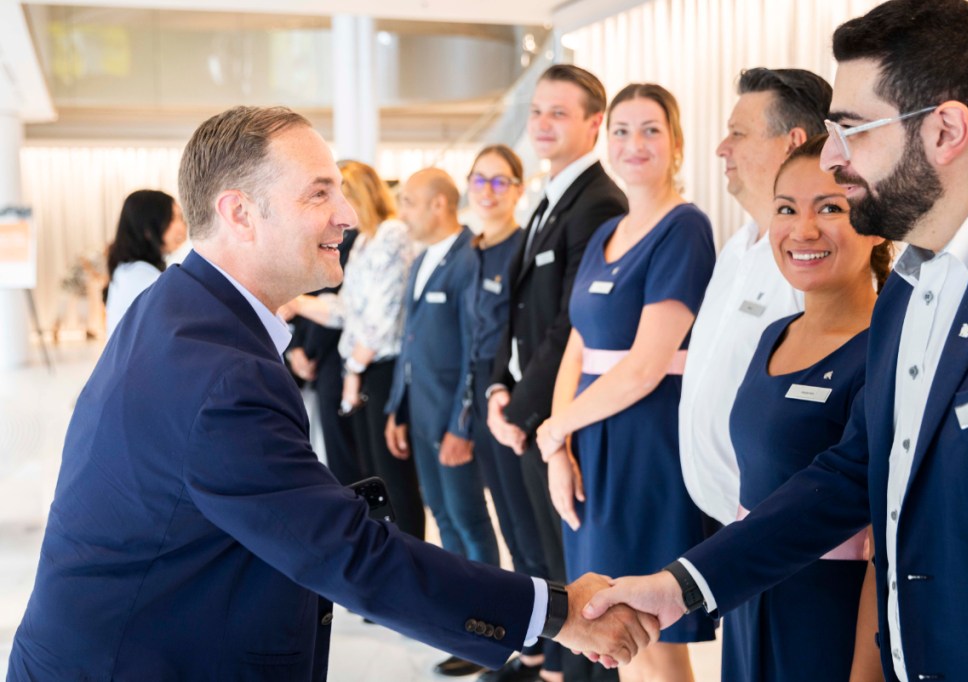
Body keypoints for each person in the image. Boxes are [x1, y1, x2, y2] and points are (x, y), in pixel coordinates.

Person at [6, 106, 659, 681]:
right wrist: (558, 611)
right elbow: (349, 554)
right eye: (320, 194)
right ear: (239, 212)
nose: (347, 215)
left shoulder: (178, 308)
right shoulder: (218, 371)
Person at [581, 1, 968, 680]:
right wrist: (682, 586)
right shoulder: (909, 287)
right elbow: (850, 474)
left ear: (946, 130)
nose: (833, 159)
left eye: (851, 131)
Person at [535, 83, 716, 682]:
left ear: (676, 145)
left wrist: (558, 425)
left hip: (644, 443)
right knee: (608, 626)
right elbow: (576, 347)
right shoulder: (606, 233)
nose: (633, 144)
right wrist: (558, 446)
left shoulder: (685, 228)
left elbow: (644, 365)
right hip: (590, 439)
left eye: (649, 130)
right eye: (620, 130)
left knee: (649, 628)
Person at [722, 135, 888, 682]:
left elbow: (882, 543)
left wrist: (864, 673)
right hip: (749, 594)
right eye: (786, 209)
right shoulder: (774, 334)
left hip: (828, 614)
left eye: (831, 208)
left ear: (877, 218)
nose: (803, 229)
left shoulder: (885, 348)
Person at [487, 63, 628, 682]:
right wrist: (497, 387)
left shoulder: (599, 201)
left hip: (558, 414)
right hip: (524, 409)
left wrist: (521, 413)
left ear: (594, 124)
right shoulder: (550, 198)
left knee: (574, 573)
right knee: (536, 557)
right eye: (537, 110)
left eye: (559, 113)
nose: (541, 123)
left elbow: (570, 325)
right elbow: (513, 309)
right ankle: (549, 668)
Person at [678, 68, 832, 530]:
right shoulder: (736, 246)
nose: (722, 148)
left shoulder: (811, 257)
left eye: (738, 134)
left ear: (792, 142)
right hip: (716, 519)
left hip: (772, 528)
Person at [384, 167, 502, 676]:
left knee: (469, 522)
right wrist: (395, 408)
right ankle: (463, 627)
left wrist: (463, 424)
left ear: (438, 204)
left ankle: (490, 629)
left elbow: (477, 350)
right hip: (421, 415)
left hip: (453, 421)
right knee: (445, 520)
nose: (402, 212)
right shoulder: (420, 262)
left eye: (409, 201)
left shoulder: (467, 260)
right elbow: (410, 341)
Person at [282, 160, 425, 537]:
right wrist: (298, 303)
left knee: (393, 479)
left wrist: (354, 372)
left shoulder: (394, 234)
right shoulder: (365, 241)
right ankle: (386, 558)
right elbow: (346, 309)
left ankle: (411, 563)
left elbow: (383, 316)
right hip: (360, 367)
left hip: (380, 369)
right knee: (370, 476)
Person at [464, 145, 549, 589]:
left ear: (518, 189)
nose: (488, 191)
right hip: (477, 391)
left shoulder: (523, 249)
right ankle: (534, 649)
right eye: (480, 180)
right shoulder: (471, 250)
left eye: (500, 181)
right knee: (509, 527)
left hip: (513, 393)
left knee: (528, 526)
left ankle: (553, 654)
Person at [283, 228, 363, 484]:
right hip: (303, 360)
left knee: (343, 456)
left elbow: (340, 307)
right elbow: (287, 297)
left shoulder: (352, 242)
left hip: (336, 357)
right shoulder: (298, 242)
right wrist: (294, 349)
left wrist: (310, 352)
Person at [103, 189, 188, 337]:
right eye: (172, 219)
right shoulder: (140, 278)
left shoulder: (129, 270)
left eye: (181, 218)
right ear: (148, 228)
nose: (181, 227)